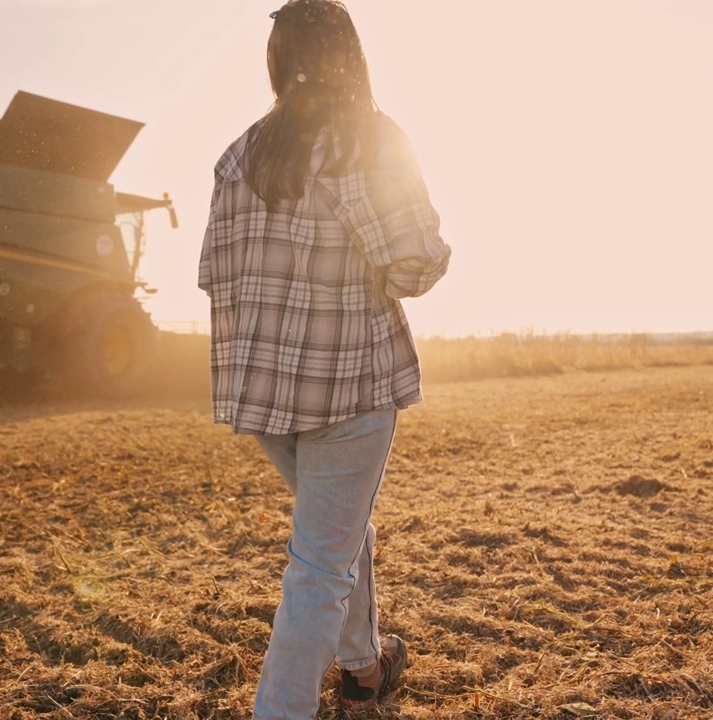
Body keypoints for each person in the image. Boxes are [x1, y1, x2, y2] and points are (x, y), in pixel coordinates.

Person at [197, 2, 452, 717]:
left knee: (338, 534)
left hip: (264, 398)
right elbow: (415, 264)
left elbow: (216, 273)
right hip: (348, 389)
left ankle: (365, 665)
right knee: (318, 567)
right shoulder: (364, 141)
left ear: (277, 62)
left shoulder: (240, 153)